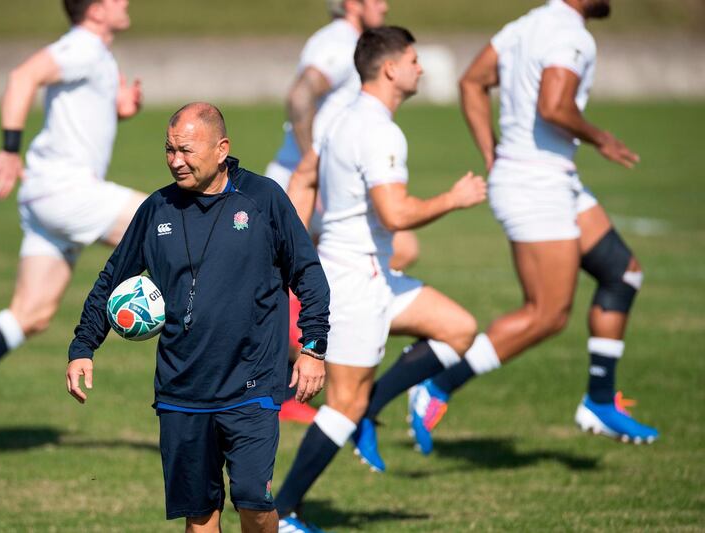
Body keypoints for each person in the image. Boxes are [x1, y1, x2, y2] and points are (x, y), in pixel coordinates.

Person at [406, 0, 658, 455]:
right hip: (536, 185)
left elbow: (472, 81)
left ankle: (599, 400)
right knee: (546, 314)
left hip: (550, 177)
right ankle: (435, 385)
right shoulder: (570, 35)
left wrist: (492, 153)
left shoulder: (526, 26)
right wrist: (603, 138)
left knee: (623, 273)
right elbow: (554, 105)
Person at [66, 103, 330, 532]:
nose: (175, 160)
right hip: (181, 388)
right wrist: (83, 347)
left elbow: (308, 274)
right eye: (168, 150)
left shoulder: (262, 200)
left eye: (186, 150)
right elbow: (113, 279)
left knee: (252, 498)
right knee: (200, 515)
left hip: (251, 383)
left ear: (221, 148)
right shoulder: (157, 210)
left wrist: (313, 347)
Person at [0, 0, 145, 465]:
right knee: (169, 222)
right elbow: (23, 76)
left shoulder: (95, 52)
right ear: (96, 9)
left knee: (32, 312)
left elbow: (77, 114)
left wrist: (116, 108)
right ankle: (239, 372)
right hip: (64, 191)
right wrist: (8, 149)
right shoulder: (82, 45)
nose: (126, 2)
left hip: (48, 196)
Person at [276, 27, 487, 531]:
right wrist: (452, 199)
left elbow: (304, 178)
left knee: (459, 329)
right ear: (391, 68)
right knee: (343, 405)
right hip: (354, 283)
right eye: (414, 59)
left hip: (374, 277)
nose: (420, 68)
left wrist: (291, 246)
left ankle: (376, 409)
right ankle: (282, 512)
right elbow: (395, 214)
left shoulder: (339, 118)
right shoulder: (380, 131)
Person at [265, 0, 420, 425]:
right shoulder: (337, 41)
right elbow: (300, 93)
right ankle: (288, 382)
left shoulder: (352, 42)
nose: (385, 6)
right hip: (304, 183)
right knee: (285, 281)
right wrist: (314, 158)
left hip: (320, 182)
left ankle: (310, 375)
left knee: (395, 251)